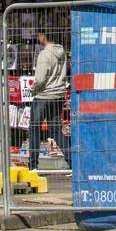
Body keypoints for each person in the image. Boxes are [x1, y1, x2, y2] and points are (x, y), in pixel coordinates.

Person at [28, 31, 71, 172]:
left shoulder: (44, 54)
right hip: (57, 95)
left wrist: (33, 90)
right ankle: (72, 161)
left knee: (34, 129)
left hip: (43, 96)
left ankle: (33, 165)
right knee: (56, 130)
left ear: (43, 36)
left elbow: (40, 79)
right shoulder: (62, 52)